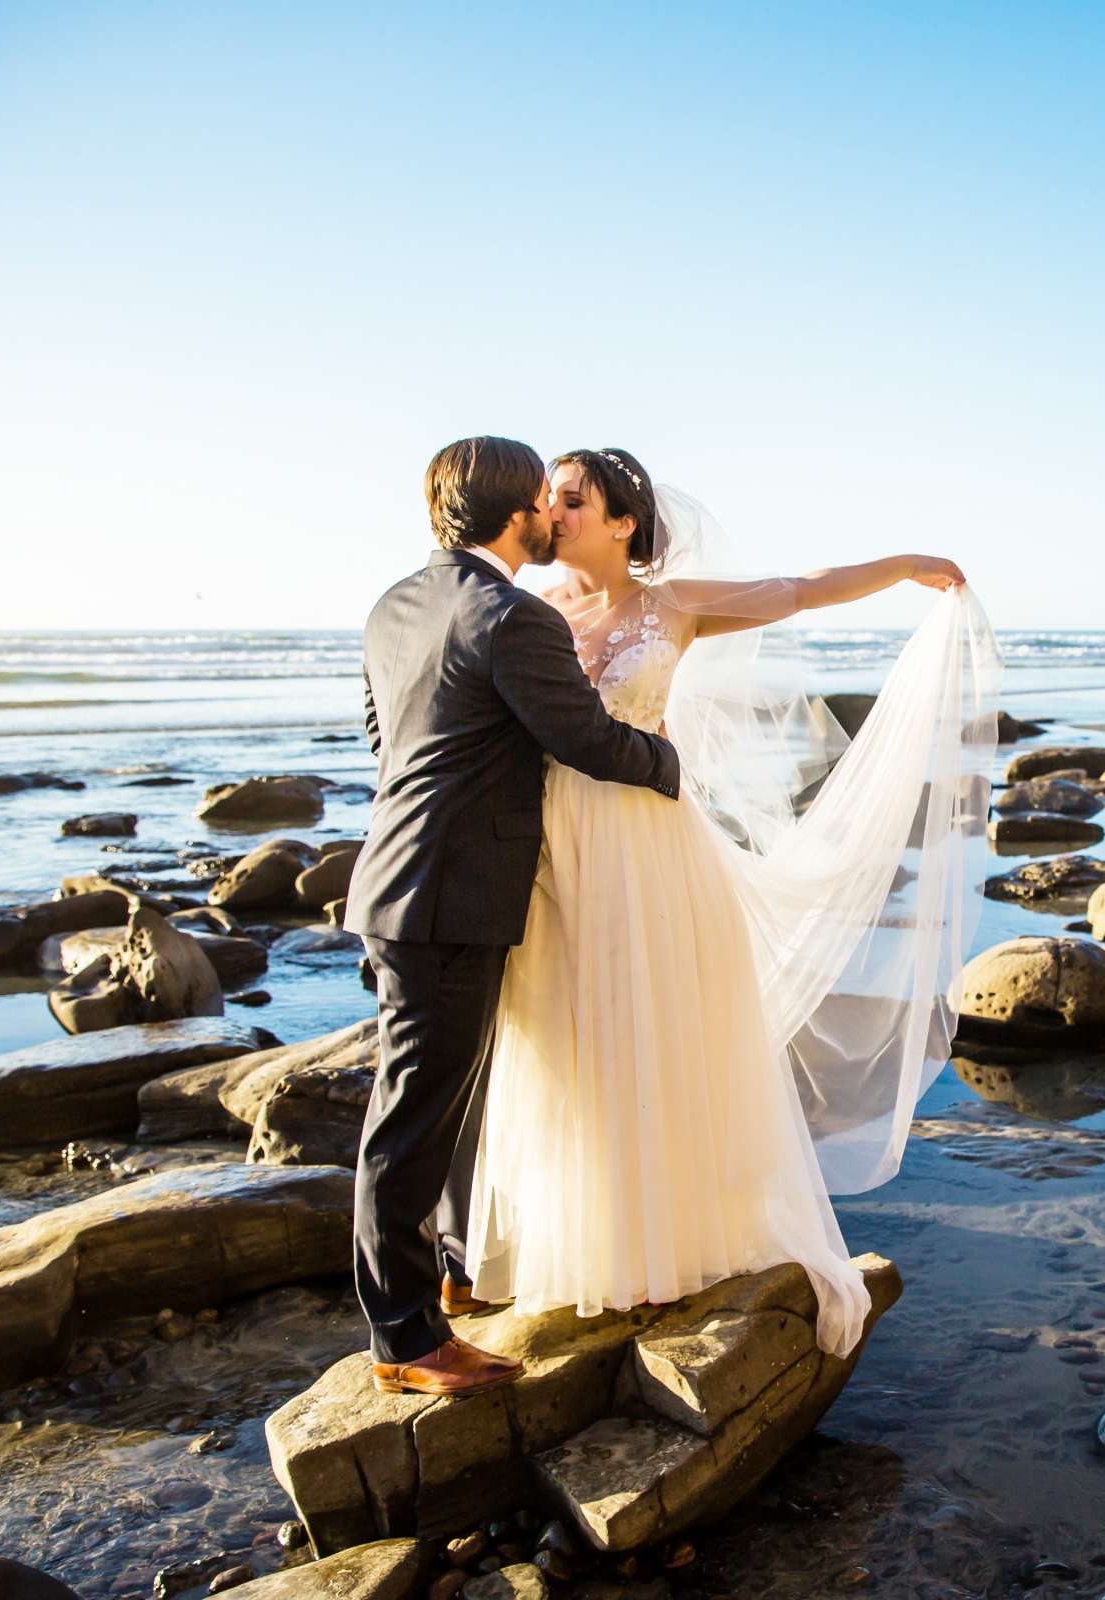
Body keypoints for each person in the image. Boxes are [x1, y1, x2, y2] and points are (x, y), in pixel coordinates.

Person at [460, 447, 997, 1359]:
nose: (551, 510)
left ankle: (668, 1243)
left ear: (624, 521)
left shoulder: (673, 604)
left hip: (649, 846)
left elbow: (799, 588)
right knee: (563, 1038)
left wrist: (905, 566)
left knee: (654, 1033)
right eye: (549, 497)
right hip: (555, 847)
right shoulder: (531, 611)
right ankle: (582, 1244)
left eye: (571, 498)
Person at [343, 437, 684, 1398]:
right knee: (413, 1114)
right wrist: (670, 767)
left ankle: (451, 1279)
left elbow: (384, 735)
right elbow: (579, 737)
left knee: (450, 1094)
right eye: (545, 498)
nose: (553, 514)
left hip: (399, 876)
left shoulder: (395, 604)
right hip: (450, 892)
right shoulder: (511, 615)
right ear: (517, 511)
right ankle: (403, 1341)